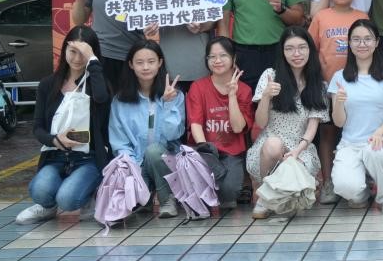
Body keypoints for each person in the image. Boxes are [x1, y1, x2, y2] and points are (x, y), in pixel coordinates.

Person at [16, 26, 111, 225]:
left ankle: (90, 194)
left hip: (88, 158)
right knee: (39, 191)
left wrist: (93, 61)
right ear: (64, 50)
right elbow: (38, 128)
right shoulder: (48, 84)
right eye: (72, 51)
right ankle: (47, 207)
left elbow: (102, 97)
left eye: (83, 53)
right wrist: (55, 140)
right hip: (56, 156)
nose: (77, 58)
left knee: (68, 199)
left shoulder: (96, 83)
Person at [248, 27, 329, 219]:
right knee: (273, 145)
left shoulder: (318, 84)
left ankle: (277, 195)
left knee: (293, 191)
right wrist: (266, 96)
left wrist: (297, 151)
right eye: (290, 48)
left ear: (310, 50)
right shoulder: (270, 75)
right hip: (269, 142)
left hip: (301, 146)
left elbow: (312, 127)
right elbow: (260, 122)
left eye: (302, 47)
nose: (296, 54)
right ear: (282, 52)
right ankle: (264, 196)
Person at [327, 19, 383, 214]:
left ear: (376, 42)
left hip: (379, 141)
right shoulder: (339, 78)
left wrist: (378, 133)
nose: (362, 44)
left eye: (368, 39)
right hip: (349, 145)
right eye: (356, 39)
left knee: (375, 152)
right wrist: (339, 103)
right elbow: (339, 122)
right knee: (346, 188)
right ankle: (362, 193)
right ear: (349, 43)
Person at [308, 0, 369, 204]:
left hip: (357, 85)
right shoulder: (321, 17)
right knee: (328, 132)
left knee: (356, 131)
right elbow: (310, 48)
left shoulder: (362, 16)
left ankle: (360, 180)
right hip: (328, 86)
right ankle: (328, 183)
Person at [108, 40, 186, 218]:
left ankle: (168, 199)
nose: (145, 67)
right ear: (131, 65)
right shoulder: (120, 100)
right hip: (136, 163)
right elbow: (119, 142)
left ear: (160, 63)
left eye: (151, 62)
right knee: (133, 204)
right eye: (139, 62)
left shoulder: (175, 95)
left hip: (167, 161)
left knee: (153, 151)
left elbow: (174, 134)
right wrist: (133, 167)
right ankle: (145, 198)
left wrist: (168, 104)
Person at [186, 37, 253, 210]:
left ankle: (218, 193)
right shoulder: (198, 87)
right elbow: (195, 123)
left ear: (233, 58)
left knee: (230, 192)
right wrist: (205, 151)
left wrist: (232, 96)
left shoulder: (244, 90)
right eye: (212, 57)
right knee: (202, 188)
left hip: (231, 152)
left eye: (223, 55)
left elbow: (238, 127)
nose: (217, 61)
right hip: (205, 150)